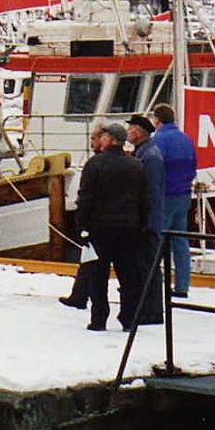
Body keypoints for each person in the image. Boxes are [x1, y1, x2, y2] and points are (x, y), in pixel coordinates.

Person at [75, 122, 150, 331]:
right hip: (128, 227)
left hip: (100, 228)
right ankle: (129, 318)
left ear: (111, 139)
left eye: (104, 136)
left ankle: (99, 318)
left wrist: (81, 225)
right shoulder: (136, 165)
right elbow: (144, 199)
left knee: (98, 276)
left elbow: (85, 198)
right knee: (128, 276)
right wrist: (142, 225)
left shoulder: (95, 164)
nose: (100, 140)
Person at [152, 103, 198, 298]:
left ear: (157, 120)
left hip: (165, 195)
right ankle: (182, 285)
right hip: (184, 194)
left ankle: (151, 284)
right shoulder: (185, 138)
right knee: (180, 241)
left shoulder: (159, 139)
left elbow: (155, 166)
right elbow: (194, 165)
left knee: (155, 241)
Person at [128, 114, 166, 325]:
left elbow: (150, 192)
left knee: (148, 266)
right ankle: (147, 309)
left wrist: (146, 221)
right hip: (146, 219)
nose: (128, 133)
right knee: (144, 266)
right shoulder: (144, 152)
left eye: (130, 129)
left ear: (138, 132)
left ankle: (152, 311)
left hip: (147, 222)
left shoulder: (149, 156)